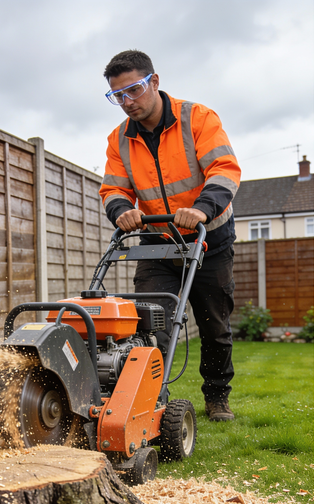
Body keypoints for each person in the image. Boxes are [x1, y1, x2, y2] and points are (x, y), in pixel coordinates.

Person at [99, 50, 241, 421]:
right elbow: (112, 189)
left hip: (207, 238)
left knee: (215, 326)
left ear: (154, 81)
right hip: (158, 244)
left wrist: (202, 209)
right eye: (118, 95)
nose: (127, 102)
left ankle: (216, 396)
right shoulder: (119, 139)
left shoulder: (198, 118)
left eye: (133, 90)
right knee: (149, 322)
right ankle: (150, 399)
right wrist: (122, 211)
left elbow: (224, 170)